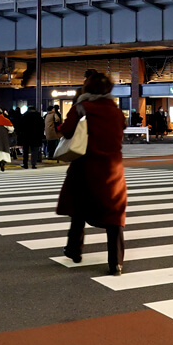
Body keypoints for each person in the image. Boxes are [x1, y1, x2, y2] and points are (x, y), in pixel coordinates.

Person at [56, 72, 127, 276]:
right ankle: (116, 263)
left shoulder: (81, 107)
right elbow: (121, 128)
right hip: (112, 170)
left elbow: (67, 131)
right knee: (114, 216)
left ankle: (74, 250)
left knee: (78, 210)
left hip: (85, 166)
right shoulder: (115, 110)